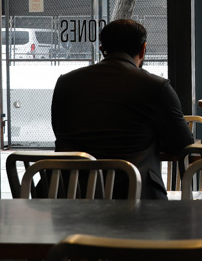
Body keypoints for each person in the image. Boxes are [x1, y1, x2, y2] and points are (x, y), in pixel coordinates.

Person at [51, 18, 193, 199]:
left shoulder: (66, 83)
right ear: (143, 49)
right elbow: (182, 144)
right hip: (134, 197)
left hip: (69, 194)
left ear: (102, 50)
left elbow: (61, 133)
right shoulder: (156, 87)